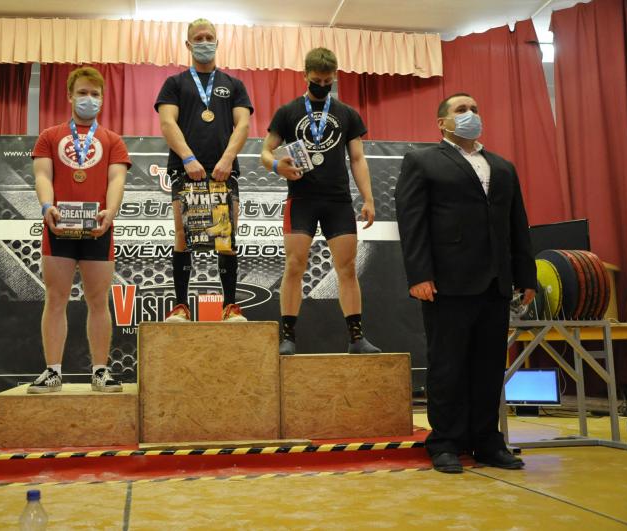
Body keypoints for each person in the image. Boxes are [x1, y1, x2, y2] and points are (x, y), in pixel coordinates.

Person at [395, 93, 536, 473]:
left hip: (495, 283)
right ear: (442, 122)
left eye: (474, 109)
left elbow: (517, 224)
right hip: (447, 281)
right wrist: (419, 275)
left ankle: (487, 441)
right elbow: (412, 221)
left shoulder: (502, 167)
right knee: (448, 365)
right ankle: (445, 443)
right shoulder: (423, 161)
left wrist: (526, 275)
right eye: (461, 110)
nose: (471, 114)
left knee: (488, 367)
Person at [260, 47, 381, 355]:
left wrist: (368, 198)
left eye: (328, 81)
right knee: (294, 265)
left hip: (338, 200)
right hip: (301, 198)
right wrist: (277, 166)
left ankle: (356, 338)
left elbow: (357, 158)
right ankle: (288, 337)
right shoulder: (287, 112)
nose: (323, 85)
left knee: (347, 267)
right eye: (317, 80)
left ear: (334, 77)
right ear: (305, 75)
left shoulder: (347, 113)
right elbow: (265, 152)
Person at [29, 67, 131, 394]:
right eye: (83, 93)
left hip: (98, 228)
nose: (89, 99)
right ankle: (52, 371)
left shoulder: (113, 140)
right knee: (55, 298)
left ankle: (100, 371)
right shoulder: (50, 136)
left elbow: (117, 180)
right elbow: (43, 175)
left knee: (99, 300)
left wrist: (110, 213)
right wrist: (47, 206)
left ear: (102, 98)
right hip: (58, 226)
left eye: (95, 94)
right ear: (70, 96)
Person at [155, 18, 253, 322]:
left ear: (218, 42)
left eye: (209, 37)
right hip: (185, 170)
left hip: (224, 171)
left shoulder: (234, 84)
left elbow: (243, 125)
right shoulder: (174, 83)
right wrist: (187, 158)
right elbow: (167, 122)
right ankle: (181, 307)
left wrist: (227, 159)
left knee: (226, 237)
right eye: (198, 38)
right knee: (183, 236)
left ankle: (230, 307)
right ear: (188, 44)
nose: (204, 42)